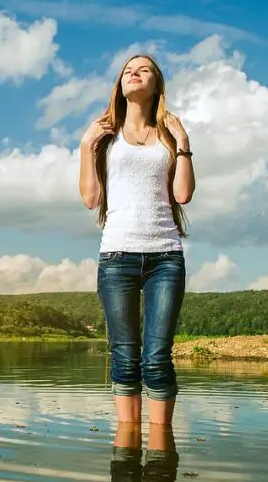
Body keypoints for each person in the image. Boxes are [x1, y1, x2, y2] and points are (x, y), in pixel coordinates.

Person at [78, 54, 195, 426]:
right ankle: (126, 451)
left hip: (165, 258)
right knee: (125, 356)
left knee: (157, 356)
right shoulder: (105, 138)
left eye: (143, 69)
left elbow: (183, 195)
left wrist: (183, 142)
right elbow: (91, 198)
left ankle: (161, 454)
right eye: (128, 70)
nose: (134, 73)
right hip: (116, 258)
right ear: (120, 85)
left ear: (155, 84)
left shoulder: (168, 136)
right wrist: (85, 146)